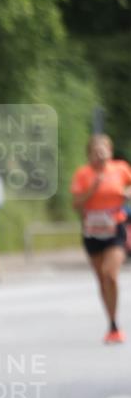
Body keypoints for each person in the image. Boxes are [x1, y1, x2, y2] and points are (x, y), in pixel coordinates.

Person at [70, 134, 131, 343]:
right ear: (89, 154)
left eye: (103, 149)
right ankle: (112, 323)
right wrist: (92, 189)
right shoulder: (83, 174)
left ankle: (115, 325)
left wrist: (127, 193)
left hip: (115, 228)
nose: (100, 153)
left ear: (110, 151)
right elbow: (76, 204)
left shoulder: (121, 169)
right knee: (101, 279)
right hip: (92, 231)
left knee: (110, 273)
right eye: (96, 150)